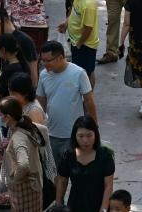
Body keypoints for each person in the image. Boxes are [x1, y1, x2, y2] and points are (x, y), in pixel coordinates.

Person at [37, 40, 97, 169]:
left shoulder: (79, 73)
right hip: (51, 134)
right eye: (43, 61)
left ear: (60, 57)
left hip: (74, 135)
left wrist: (94, 127)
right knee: (54, 173)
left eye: (49, 60)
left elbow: (89, 101)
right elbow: (41, 101)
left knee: (76, 171)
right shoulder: (43, 76)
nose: (45, 64)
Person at [0, 96, 50, 212]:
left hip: (24, 189)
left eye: (1, 115)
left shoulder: (18, 137)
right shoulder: (28, 126)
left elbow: (23, 165)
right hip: (33, 188)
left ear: (8, 117)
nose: (0, 118)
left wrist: (13, 180)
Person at [55, 115, 116, 212]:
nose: (85, 140)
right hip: (75, 205)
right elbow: (62, 181)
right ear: (75, 136)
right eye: (81, 136)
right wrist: (58, 205)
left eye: (89, 135)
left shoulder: (105, 155)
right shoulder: (68, 154)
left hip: (98, 204)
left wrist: (103, 209)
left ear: (95, 134)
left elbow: (108, 185)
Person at [57, 0, 100, 84]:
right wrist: (66, 23)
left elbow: (88, 28)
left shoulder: (88, 5)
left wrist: (79, 44)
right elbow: (73, 9)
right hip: (76, 41)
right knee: (82, 70)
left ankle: (87, 97)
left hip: (85, 45)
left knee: (86, 72)